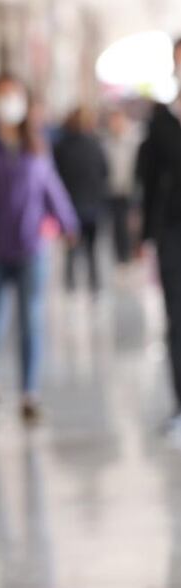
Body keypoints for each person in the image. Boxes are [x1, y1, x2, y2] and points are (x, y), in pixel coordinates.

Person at [0, 74, 79, 422]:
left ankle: (29, 392)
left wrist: (68, 222)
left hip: (30, 245)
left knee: (31, 320)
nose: (8, 102)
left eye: (14, 95)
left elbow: (49, 186)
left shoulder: (35, 144)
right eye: (1, 95)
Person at [139, 36, 181, 441]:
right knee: (177, 320)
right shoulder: (162, 119)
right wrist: (145, 234)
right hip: (172, 233)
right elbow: (149, 181)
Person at [54, 105, 109, 293]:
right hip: (92, 205)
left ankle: (71, 286)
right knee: (92, 250)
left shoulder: (61, 146)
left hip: (70, 207)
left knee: (72, 249)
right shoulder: (95, 144)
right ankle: (94, 284)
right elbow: (105, 172)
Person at [102, 108, 140, 264]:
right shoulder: (106, 143)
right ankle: (120, 256)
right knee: (117, 226)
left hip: (129, 190)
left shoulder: (133, 141)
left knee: (129, 225)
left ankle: (130, 254)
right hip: (112, 191)